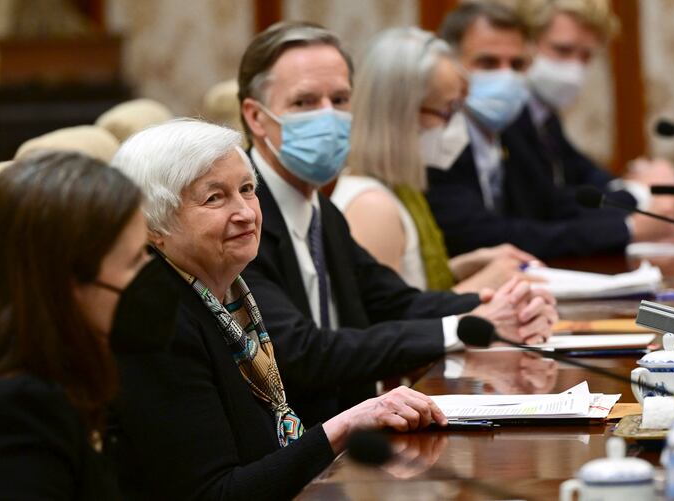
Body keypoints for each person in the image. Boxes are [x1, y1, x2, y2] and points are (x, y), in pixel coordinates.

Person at [109, 118, 450, 500]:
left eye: (247, 189)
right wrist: (344, 427)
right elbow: (214, 493)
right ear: (154, 225)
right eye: (214, 198)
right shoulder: (159, 322)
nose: (246, 213)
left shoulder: (231, 292)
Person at [237, 21, 557, 426]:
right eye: (304, 102)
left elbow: (394, 302)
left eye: (339, 99)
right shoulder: (244, 217)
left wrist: (503, 307)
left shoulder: (319, 206)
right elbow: (301, 353)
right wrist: (465, 327)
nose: (328, 116)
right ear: (257, 117)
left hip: (355, 441)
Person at [0, 151, 149, 499]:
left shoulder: (51, 369)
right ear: (66, 283)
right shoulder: (13, 410)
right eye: (134, 262)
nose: (151, 277)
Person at [429, 1, 674, 259]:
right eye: (488, 63)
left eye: (517, 65)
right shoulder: (437, 139)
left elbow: (551, 203)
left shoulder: (498, 127)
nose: (506, 76)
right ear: (449, 65)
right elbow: (484, 235)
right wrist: (630, 223)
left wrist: (635, 203)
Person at [334, 26, 542, 294]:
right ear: (401, 114)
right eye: (449, 110)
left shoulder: (403, 190)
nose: (458, 126)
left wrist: (462, 266)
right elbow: (387, 327)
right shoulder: (372, 207)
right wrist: (478, 285)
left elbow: (409, 285)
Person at [515, 0, 674, 194]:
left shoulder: (545, 115)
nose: (574, 68)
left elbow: (584, 172)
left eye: (586, 56)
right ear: (525, 42)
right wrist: (635, 193)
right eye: (563, 50)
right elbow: (547, 204)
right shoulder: (507, 115)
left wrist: (633, 182)